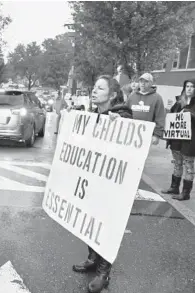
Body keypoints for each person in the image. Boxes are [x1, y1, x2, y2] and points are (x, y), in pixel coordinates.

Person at [70, 75, 132, 293]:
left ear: (112, 94)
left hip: (111, 185)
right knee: (89, 220)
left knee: (106, 225)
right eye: (94, 87)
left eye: (100, 88)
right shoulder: (93, 115)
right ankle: (93, 258)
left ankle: (104, 272)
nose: (94, 91)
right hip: (92, 180)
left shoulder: (122, 114)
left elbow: (131, 137)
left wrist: (122, 125)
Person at [162, 79, 195, 200]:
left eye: (192, 86)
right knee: (177, 164)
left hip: (190, 141)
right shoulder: (178, 101)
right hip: (177, 139)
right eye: (187, 86)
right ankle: (174, 187)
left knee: (188, 166)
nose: (189, 89)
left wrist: (190, 113)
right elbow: (171, 117)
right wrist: (167, 110)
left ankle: (185, 193)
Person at [126, 73, 166, 145]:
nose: (143, 84)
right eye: (141, 81)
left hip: (146, 134)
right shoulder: (132, 96)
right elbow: (125, 112)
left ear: (151, 83)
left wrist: (156, 135)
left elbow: (160, 117)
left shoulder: (157, 98)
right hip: (130, 133)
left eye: (146, 82)